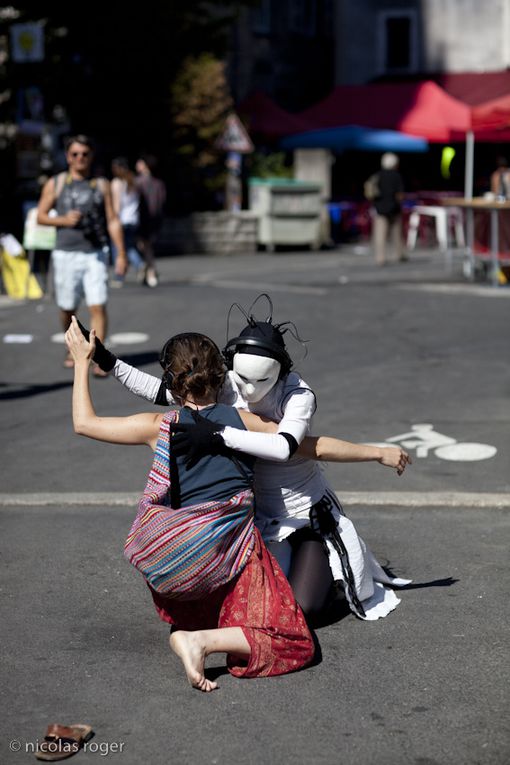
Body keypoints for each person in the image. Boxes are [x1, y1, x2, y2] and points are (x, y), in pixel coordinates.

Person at [78, 297, 411, 623]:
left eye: (260, 380)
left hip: (307, 514)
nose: (248, 391)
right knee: (268, 607)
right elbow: (163, 391)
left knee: (302, 609)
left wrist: (379, 452)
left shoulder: (294, 397)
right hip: (260, 521)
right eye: (242, 380)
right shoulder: (228, 389)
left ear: (280, 370)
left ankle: (337, 581)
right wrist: (104, 359)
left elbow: (297, 447)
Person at [64, 318, 314, 692]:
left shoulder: (157, 425)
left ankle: (189, 630)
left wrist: (85, 360)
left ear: (173, 382)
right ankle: (201, 641)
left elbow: (84, 423)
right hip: (228, 555)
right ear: (222, 375)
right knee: (293, 640)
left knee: (203, 590)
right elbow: (310, 446)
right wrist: (377, 453)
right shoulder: (246, 422)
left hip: (176, 569)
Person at [37, 134, 127, 374]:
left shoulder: (101, 184)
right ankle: (73, 347)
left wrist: (121, 254)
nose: (80, 158)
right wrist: (63, 220)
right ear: (68, 156)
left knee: (97, 305)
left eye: (85, 154)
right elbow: (40, 215)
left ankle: (101, 357)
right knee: (68, 308)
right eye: (75, 154)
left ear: (91, 156)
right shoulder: (56, 183)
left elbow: (113, 220)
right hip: (66, 253)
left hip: (94, 253)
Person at [110, 157, 146, 285]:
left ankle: (120, 276)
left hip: (122, 220)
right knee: (129, 247)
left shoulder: (117, 183)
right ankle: (140, 265)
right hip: (133, 219)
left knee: (119, 249)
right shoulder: (133, 182)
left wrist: (114, 220)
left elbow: (116, 205)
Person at [135, 154, 166, 288]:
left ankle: (150, 271)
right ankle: (148, 270)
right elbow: (162, 202)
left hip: (142, 219)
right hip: (155, 219)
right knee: (146, 246)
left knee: (145, 246)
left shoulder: (137, 182)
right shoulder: (158, 183)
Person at [371, 152, 405, 266]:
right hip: (394, 208)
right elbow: (399, 194)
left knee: (380, 235)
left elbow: (372, 192)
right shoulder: (396, 176)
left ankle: (380, 257)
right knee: (396, 233)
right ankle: (399, 254)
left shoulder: (378, 175)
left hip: (380, 208)